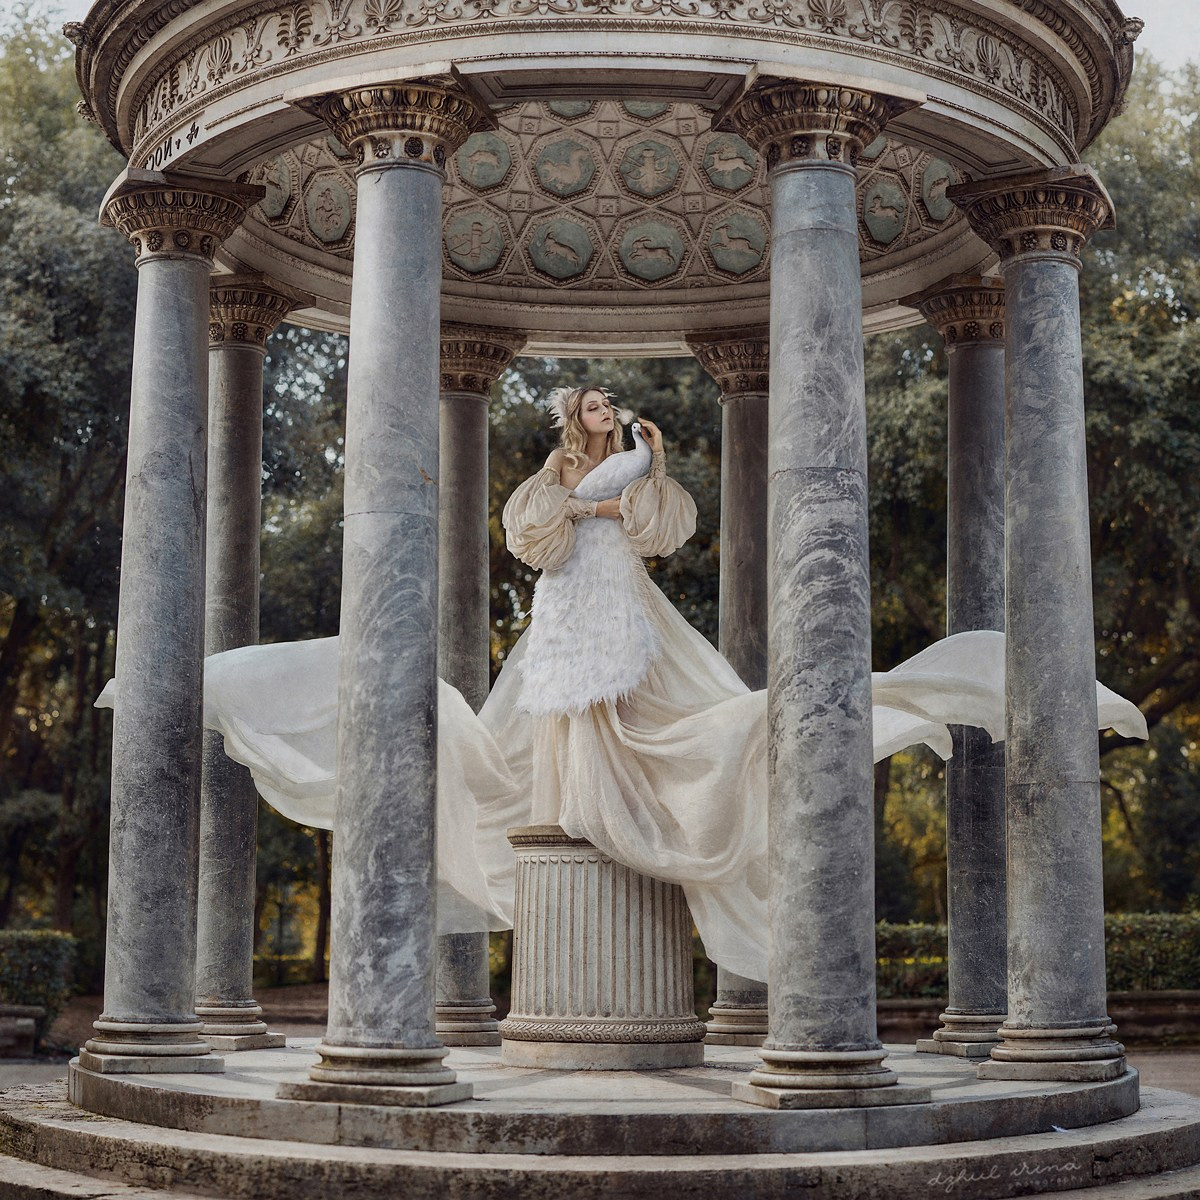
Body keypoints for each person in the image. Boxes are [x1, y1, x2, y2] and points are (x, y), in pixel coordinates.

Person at [98, 383, 1149, 981]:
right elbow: (531, 531)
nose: (607, 412)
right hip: (571, 594)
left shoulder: (639, 453)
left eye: (612, 406)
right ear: (577, 417)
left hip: (620, 591)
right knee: (549, 702)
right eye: (596, 405)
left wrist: (642, 467)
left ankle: (654, 785)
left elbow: (657, 527)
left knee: (688, 709)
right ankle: (574, 799)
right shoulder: (556, 469)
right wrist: (588, 505)